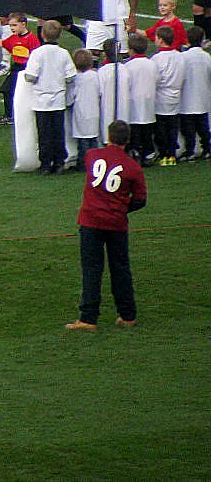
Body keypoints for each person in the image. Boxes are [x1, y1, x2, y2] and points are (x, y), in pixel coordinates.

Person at [65, 119, 146, 331]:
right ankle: (127, 315)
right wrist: (120, 208)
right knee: (120, 268)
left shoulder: (92, 156)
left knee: (92, 269)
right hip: (116, 223)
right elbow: (140, 200)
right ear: (127, 140)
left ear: (108, 137)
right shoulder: (133, 167)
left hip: (91, 220)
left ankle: (88, 318)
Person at [22, 19, 77, 171]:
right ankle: (59, 161)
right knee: (58, 132)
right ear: (59, 36)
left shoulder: (37, 53)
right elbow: (71, 76)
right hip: (58, 99)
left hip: (41, 100)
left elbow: (31, 76)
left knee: (44, 133)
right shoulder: (63, 54)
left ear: (42, 34)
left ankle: (45, 163)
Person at [0, 11, 38, 124]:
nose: (11, 28)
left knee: (9, 90)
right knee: (7, 90)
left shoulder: (31, 39)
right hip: (16, 68)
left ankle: (10, 116)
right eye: (10, 25)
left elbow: (37, 56)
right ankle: (12, 115)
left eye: (14, 25)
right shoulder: (14, 38)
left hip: (26, 69)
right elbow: (3, 43)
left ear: (23, 24)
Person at [151, 25, 183, 165]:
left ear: (162, 40)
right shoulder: (180, 56)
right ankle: (172, 154)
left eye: (156, 37)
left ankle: (163, 154)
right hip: (175, 97)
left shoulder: (157, 59)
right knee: (173, 127)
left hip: (161, 98)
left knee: (161, 129)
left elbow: (155, 79)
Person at [177, 25, 211, 159]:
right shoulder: (206, 56)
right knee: (203, 128)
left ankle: (190, 150)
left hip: (186, 100)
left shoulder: (183, 57)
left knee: (188, 129)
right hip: (202, 99)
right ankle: (207, 149)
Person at [124, 32, 157, 163]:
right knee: (147, 130)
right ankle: (148, 153)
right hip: (149, 101)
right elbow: (157, 80)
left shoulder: (128, 66)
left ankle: (136, 152)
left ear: (131, 50)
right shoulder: (152, 63)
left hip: (133, 103)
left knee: (136, 130)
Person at [69, 48, 101, 163]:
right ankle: (95, 161)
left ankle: (83, 163)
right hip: (94, 112)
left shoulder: (75, 79)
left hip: (81, 114)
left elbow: (70, 97)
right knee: (93, 139)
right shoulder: (95, 76)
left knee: (83, 141)